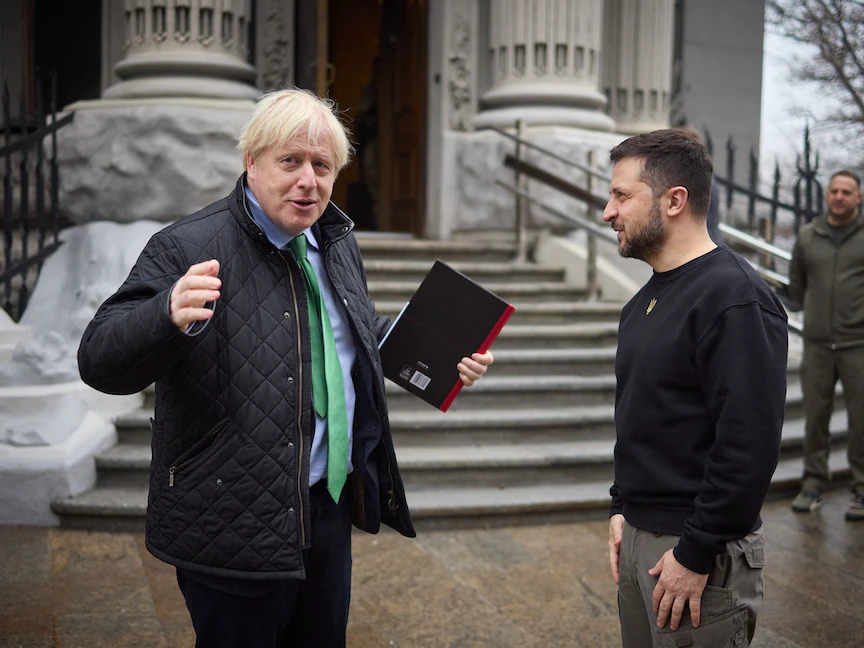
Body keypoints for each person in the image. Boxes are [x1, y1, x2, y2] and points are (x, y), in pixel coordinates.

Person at [77, 88, 493, 648]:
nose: (307, 181)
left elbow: (345, 333)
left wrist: (443, 358)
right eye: (290, 161)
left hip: (328, 508)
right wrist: (165, 315)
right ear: (251, 162)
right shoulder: (185, 245)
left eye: (322, 166)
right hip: (232, 519)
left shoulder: (335, 242)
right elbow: (98, 359)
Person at [603, 129, 788, 647]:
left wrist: (695, 550)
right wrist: (621, 507)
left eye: (621, 195)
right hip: (639, 537)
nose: (608, 211)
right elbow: (642, 419)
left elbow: (748, 445)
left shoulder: (736, 298)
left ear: (674, 201)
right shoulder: (641, 302)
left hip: (696, 552)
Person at [788, 170, 864, 521]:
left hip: (858, 343)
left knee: (861, 420)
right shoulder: (808, 235)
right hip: (818, 343)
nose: (839, 196)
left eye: (846, 191)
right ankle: (813, 484)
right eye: (834, 190)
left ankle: (861, 488)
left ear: (858, 197)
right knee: (815, 419)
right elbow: (797, 284)